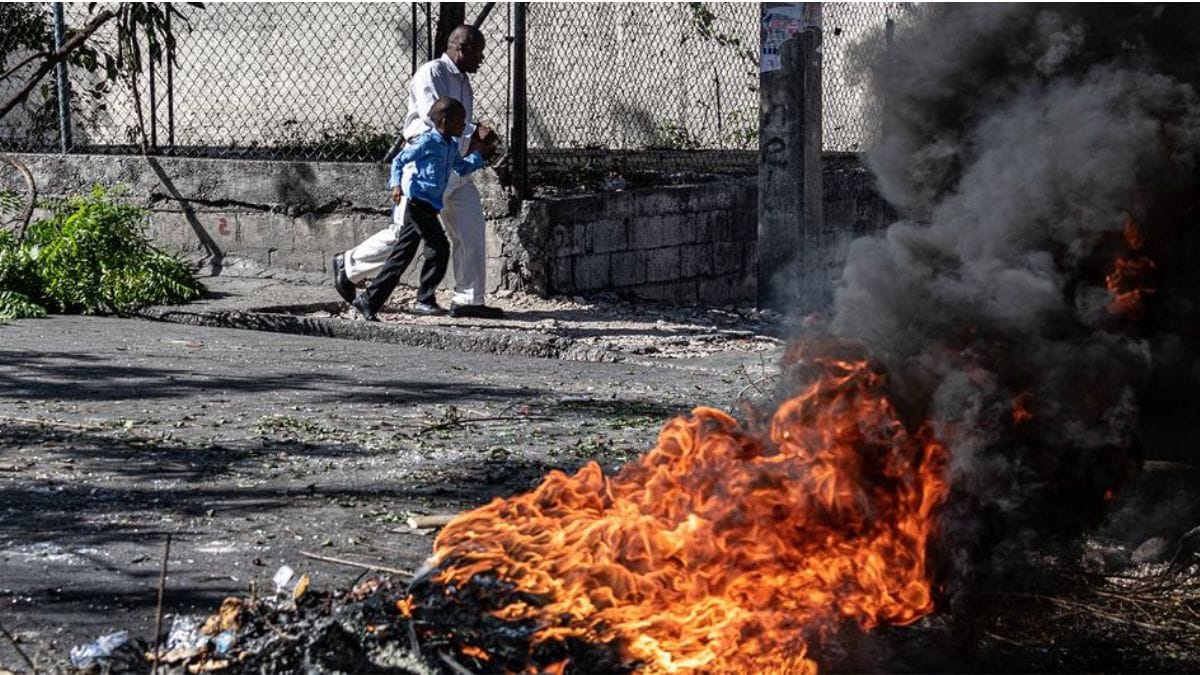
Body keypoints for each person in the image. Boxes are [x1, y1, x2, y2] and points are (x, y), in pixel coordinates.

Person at [333, 24, 504, 319]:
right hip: (424, 166)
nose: (482, 59)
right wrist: (476, 131)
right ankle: (349, 265)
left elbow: (456, 126)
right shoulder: (432, 72)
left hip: (453, 162)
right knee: (403, 235)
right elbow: (435, 116)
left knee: (471, 226)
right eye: (479, 52)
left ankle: (468, 298)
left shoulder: (463, 80)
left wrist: (476, 150)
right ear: (461, 48)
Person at [350, 97, 487, 322]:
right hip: (417, 203)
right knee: (439, 248)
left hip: (431, 205)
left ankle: (370, 300)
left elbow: (461, 168)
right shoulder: (427, 142)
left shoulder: (451, 146)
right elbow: (399, 160)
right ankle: (423, 298)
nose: (464, 125)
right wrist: (395, 185)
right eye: (460, 121)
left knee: (402, 255)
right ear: (444, 122)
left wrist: (479, 155)